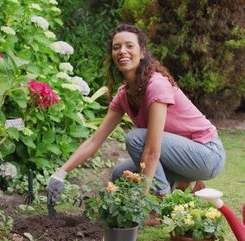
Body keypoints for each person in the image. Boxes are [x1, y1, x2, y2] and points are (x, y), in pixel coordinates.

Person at [47, 23, 226, 208]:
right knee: (120, 174)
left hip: (207, 154)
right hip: (180, 155)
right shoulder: (124, 95)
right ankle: (186, 180)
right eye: (116, 47)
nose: (122, 51)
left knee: (137, 139)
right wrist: (60, 173)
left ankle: (165, 206)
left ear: (142, 52)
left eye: (129, 46)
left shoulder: (156, 85)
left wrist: (142, 202)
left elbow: (152, 151)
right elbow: (94, 141)